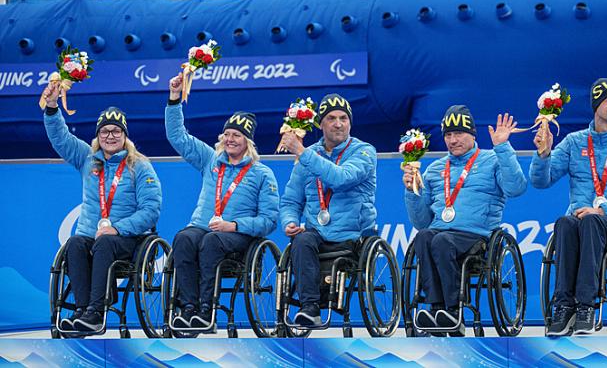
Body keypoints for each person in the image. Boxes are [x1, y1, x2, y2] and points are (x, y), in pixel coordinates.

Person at [529, 78, 607, 336]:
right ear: (596, 106)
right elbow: (541, 181)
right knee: (564, 222)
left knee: (590, 220)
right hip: (578, 223)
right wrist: (542, 155)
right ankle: (564, 307)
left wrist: (603, 210)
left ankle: (587, 306)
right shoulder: (575, 143)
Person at [41, 85, 161, 333]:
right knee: (74, 244)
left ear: (125, 135)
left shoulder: (140, 166)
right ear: (98, 135)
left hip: (128, 239)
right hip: (90, 235)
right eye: (105, 131)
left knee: (104, 243)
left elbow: (150, 210)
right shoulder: (88, 159)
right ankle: (84, 312)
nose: (110, 136)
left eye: (116, 131)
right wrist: (52, 107)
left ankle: (96, 311)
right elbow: (60, 138)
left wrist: (116, 229)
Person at [165, 74, 279, 329]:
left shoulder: (262, 174)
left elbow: (269, 220)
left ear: (247, 141)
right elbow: (178, 137)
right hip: (203, 227)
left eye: (236, 135)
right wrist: (174, 100)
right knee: (184, 238)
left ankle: (207, 310)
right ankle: (188, 308)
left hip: (235, 237)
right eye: (226, 134)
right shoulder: (211, 160)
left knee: (210, 241)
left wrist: (234, 225)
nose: (229, 139)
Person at [403, 105, 527, 335]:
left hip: (477, 235)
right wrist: (411, 191)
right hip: (440, 231)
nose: (452, 140)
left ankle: (453, 311)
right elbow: (421, 222)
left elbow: (516, 187)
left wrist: (502, 147)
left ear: (472, 134)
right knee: (423, 237)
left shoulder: (492, 160)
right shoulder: (434, 169)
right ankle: (437, 309)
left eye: (458, 133)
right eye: (448, 135)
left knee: (441, 241)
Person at [279, 93, 377, 326]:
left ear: (350, 123)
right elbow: (291, 200)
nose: (338, 123)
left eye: (343, 118)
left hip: (352, 235)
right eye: (331, 118)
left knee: (309, 240)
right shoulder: (310, 155)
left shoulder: (364, 151)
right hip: (318, 233)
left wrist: (302, 152)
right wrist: (290, 221)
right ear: (320, 124)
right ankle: (310, 308)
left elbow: (341, 178)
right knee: (301, 241)